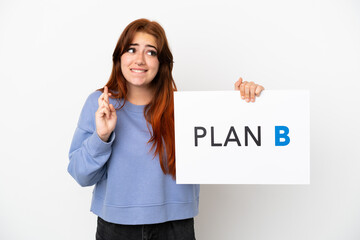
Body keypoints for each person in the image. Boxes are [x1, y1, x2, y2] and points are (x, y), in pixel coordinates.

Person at [68, 18, 264, 240]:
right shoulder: (100, 104)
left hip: (175, 227)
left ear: (162, 62)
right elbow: (81, 175)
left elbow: (227, 140)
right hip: (116, 228)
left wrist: (246, 100)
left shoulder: (186, 108)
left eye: (150, 52)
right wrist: (102, 136)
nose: (140, 60)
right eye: (131, 50)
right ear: (119, 57)